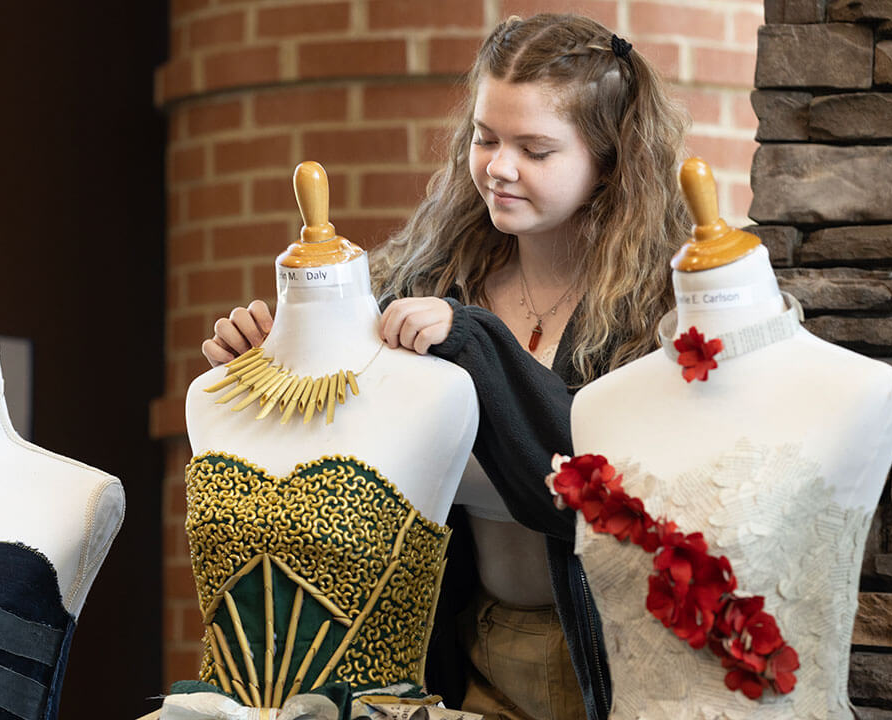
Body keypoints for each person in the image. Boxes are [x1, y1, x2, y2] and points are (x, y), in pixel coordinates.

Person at [202, 14, 689, 720]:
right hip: (463, 651)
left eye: (536, 149)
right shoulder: (427, 279)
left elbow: (598, 495)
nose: (498, 165)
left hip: (603, 659)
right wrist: (268, 368)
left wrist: (479, 341)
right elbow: (346, 457)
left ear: (610, 161)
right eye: (485, 137)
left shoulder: (660, 311)